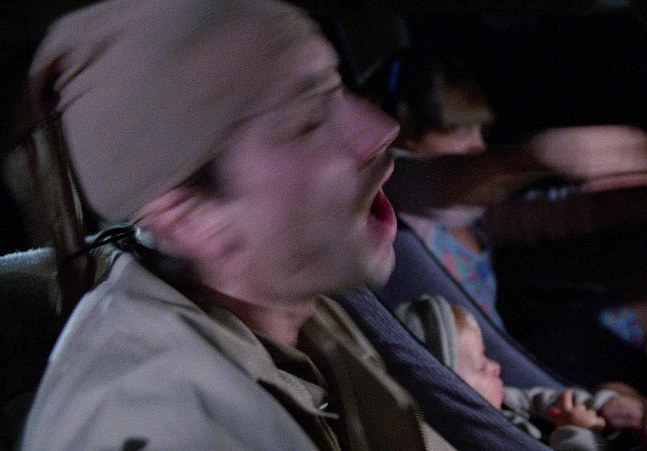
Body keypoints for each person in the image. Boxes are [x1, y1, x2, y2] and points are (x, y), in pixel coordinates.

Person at [16, 1, 456, 449]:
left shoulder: (294, 310)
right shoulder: (164, 426)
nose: (382, 130)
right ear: (189, 221)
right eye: (306, 122)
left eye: (337, 87)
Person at [364, 48, 647, 370]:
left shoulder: (482, 218)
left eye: (480, 129)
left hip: (514, 358)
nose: (478, 144)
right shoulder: (393, 204)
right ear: (407, 136)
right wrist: (531, 157)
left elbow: (588, 213)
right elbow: (425, 180)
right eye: (457, 130)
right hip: (490, 374)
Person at [395, 295, 647, 451]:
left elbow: (545, 400)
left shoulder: (502, 401)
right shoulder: (481, 441)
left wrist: (599, 405)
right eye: (481, 366)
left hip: (596, 434)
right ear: (449, 392)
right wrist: (577, 431)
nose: (496, 366)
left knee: (617, 398)